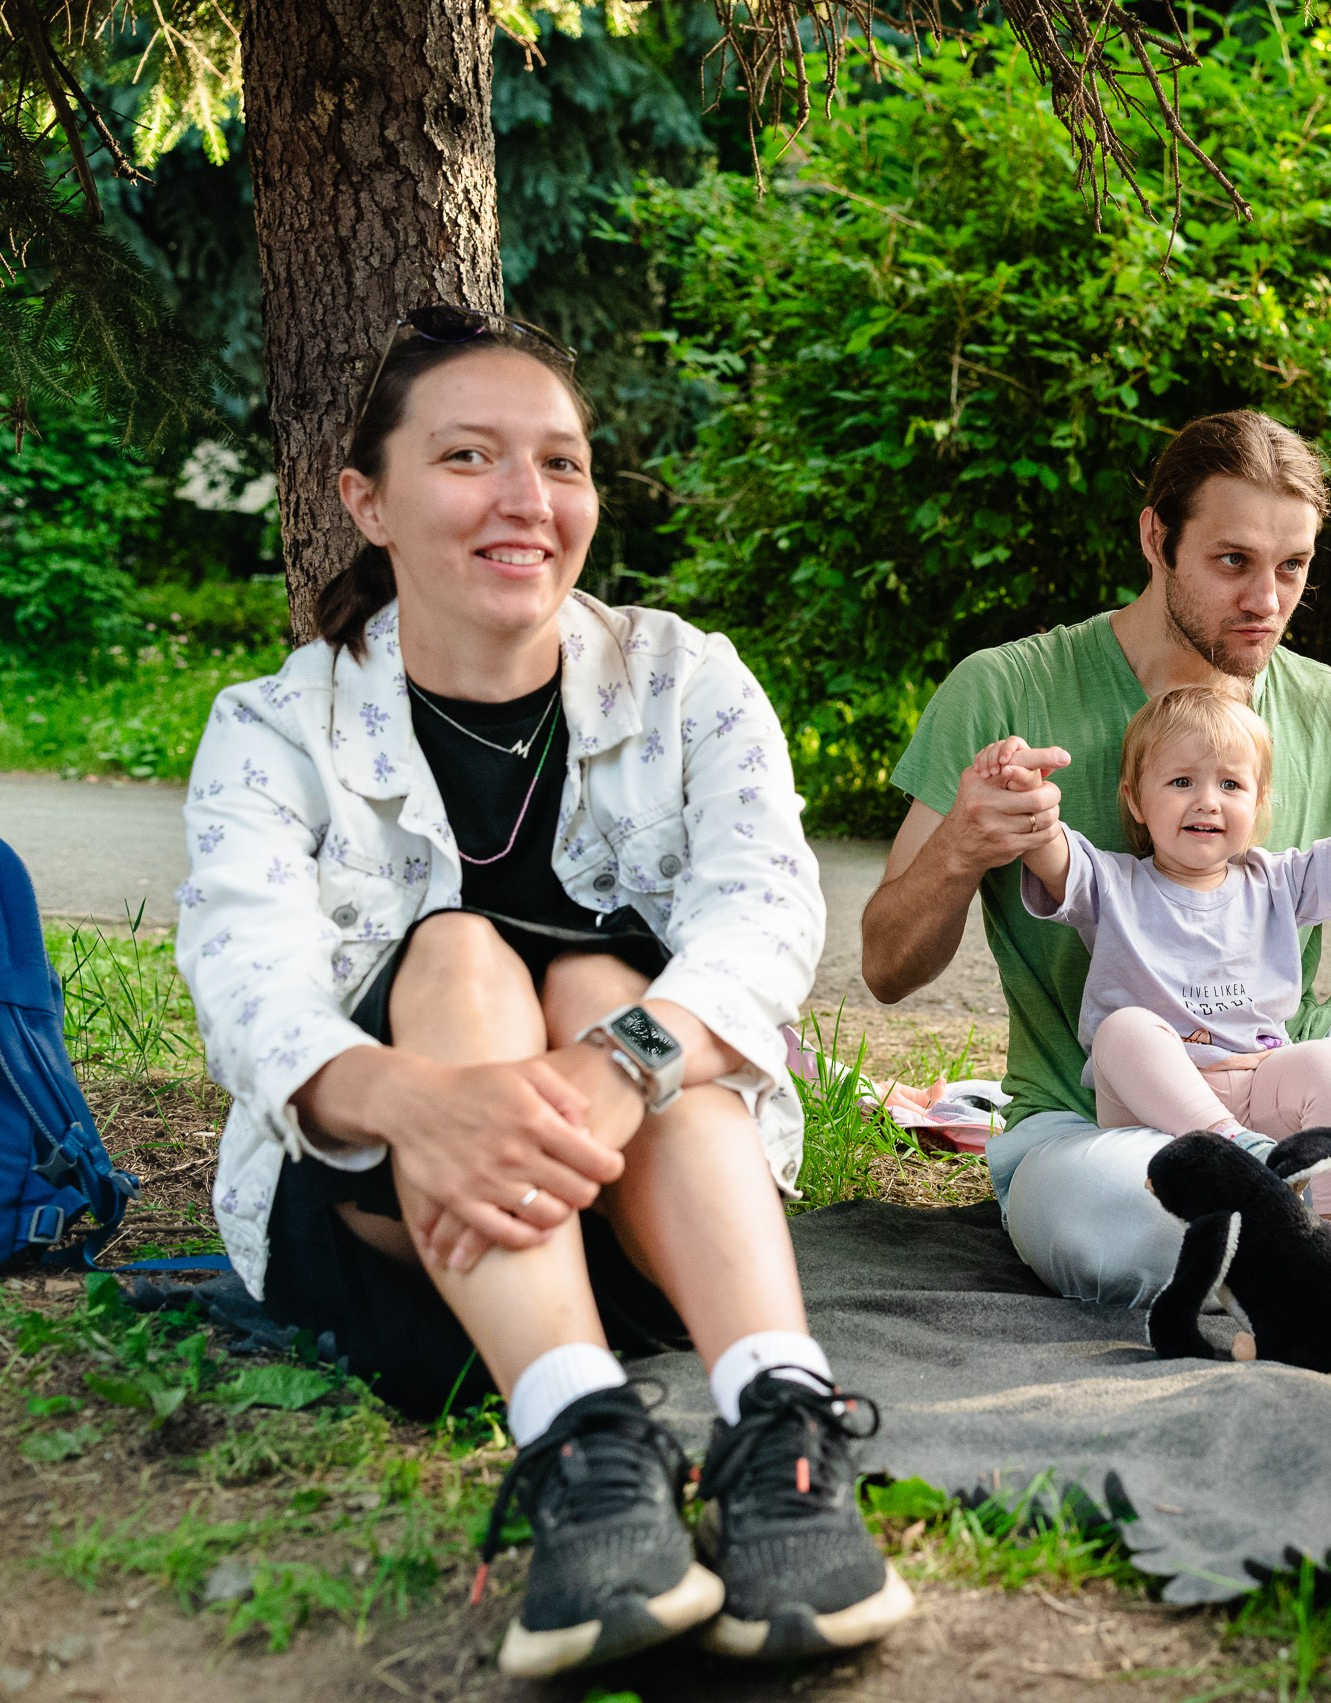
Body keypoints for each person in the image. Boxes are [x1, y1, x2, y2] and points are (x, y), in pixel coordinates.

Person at [176, 306, 910, 1678]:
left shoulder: (686, 680)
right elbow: (244, 975)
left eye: (561, 462)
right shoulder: (272, 726)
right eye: (469, 456)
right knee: (460, 954)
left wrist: (618, 1059)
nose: (527, 497)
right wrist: (422, 1103)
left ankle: (780, 1427)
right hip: (397, 1236)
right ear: (367, 501)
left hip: (660, 1232)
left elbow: (766, 910)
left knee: (602, 982)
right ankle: (579, 1438)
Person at [864, 409, 1331, 1312]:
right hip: (1092, 1129)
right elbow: (887, 967)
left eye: (1293, 566)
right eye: (1233, 561)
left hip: (1295, 1088)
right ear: (1155, 538)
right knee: (1166, 1232)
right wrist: (962, 846)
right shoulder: (1007, 688)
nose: (1267, 601)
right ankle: (1328, 1224)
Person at [991, 684, 1331, 1253]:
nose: (1207, 801)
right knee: (1122, 1030)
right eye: (1182, 782)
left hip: (1260, 1083)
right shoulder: (1110, 881)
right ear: (1136, 800)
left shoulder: (1278, 881)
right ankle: (1234, 1150)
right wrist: (1024, 795)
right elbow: (1049, 849)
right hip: (1151, 1108)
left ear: (1259, 802)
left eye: (1230, 785)